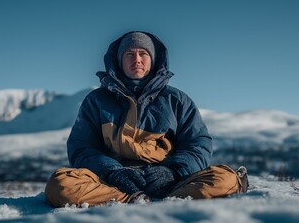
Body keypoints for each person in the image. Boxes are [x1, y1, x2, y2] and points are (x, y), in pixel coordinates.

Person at [45, 31, 248, 207]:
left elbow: (198, 143)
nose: (137, 60)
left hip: (170, 181)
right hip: (111, 181)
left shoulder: (176, 100)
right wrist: (112, 171)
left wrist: (172, 171)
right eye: (129, 54)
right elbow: (82, 147)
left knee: (225, 178)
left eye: (143, 54)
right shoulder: (96, 100)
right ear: (118, 60)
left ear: (153, 59)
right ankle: (133, 199)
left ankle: (164, 198)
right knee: (60, 185)